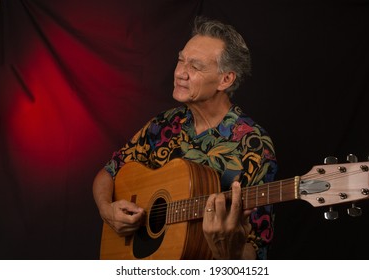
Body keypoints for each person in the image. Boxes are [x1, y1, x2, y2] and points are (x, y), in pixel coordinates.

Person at [93, 16, 277, 260]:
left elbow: (255, 254)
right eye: (181, 60)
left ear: (225, 79)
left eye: (196, 66)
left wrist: (228, 251)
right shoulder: (164, 124)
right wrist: (108, 211)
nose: (180, 73)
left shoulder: (254, 145)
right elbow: (108, 173)